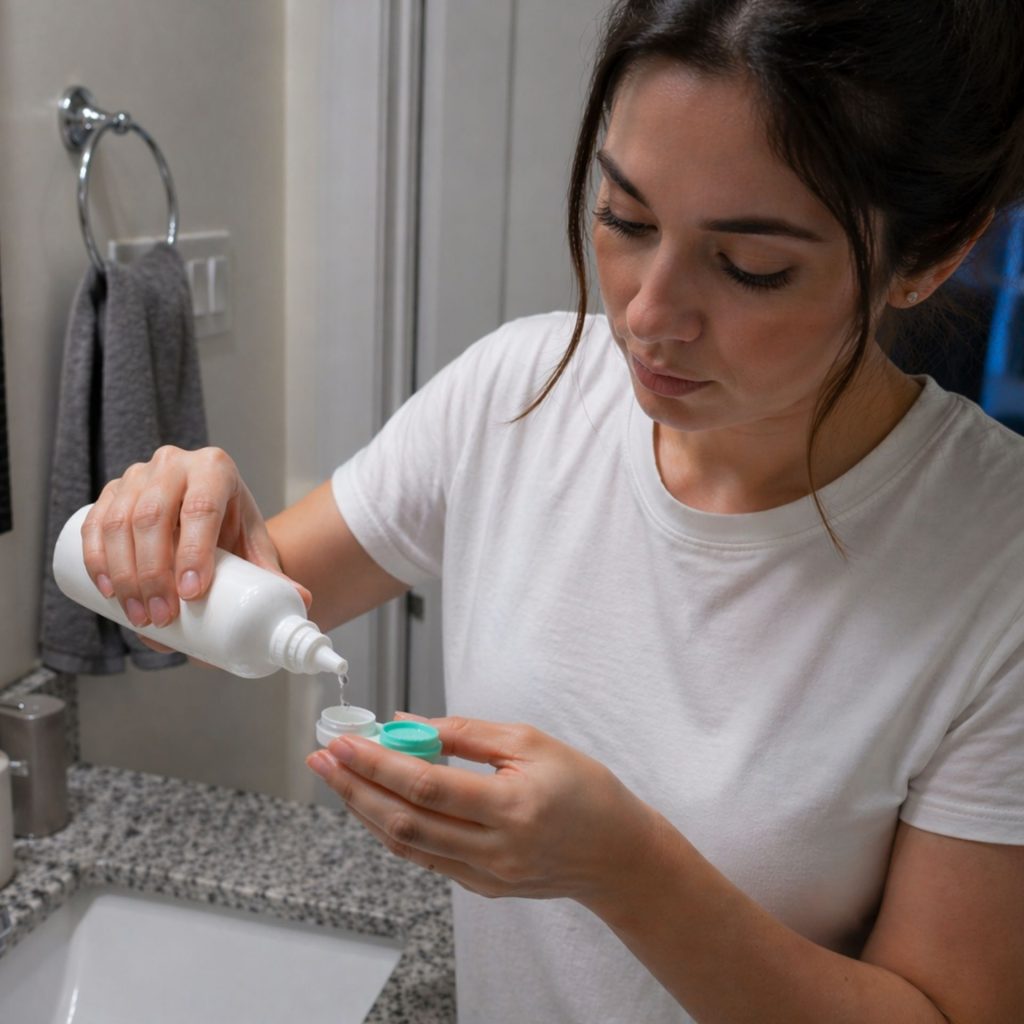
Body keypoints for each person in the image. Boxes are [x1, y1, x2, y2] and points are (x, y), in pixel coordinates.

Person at [77, 1, 1024, 1021]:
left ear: (928, 254)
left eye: (751, 267)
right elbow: (236, 614)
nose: (647, 315)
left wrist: (627, 870)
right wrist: (168, 525)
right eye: (624, 219)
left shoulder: (990, 561)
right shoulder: (518, 391)